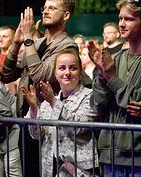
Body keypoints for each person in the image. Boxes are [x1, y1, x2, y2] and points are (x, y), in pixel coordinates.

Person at [0, 0, 88, 176]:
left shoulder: (67, 46)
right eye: (45, 7)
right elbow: (6, 75)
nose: (46, 11)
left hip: (47, 127)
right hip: (27, 121)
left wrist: (28, 39)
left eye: (52, 8)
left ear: (66, 15)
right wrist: (16, 43)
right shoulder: (37, 44)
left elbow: (41, 77)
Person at [88, 0, 141, 176]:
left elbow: (135, 102)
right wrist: (103, 76)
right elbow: (96, 105)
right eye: (120, 18)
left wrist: (111, 77)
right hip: (110, 154)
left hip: (139, 156)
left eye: (129, 19)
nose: (122, 23)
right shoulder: (115, 59)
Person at [22, 49, 99, 177]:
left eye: (73, 68)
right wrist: (34, 108)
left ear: (80, 73)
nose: (67, 73)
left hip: (80, 171)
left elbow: (79, 128)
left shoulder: (90, 96)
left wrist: (53, 102)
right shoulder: (48, 102)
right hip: (51, 168)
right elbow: (37, 135)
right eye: (62, 68)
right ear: (56, 74)